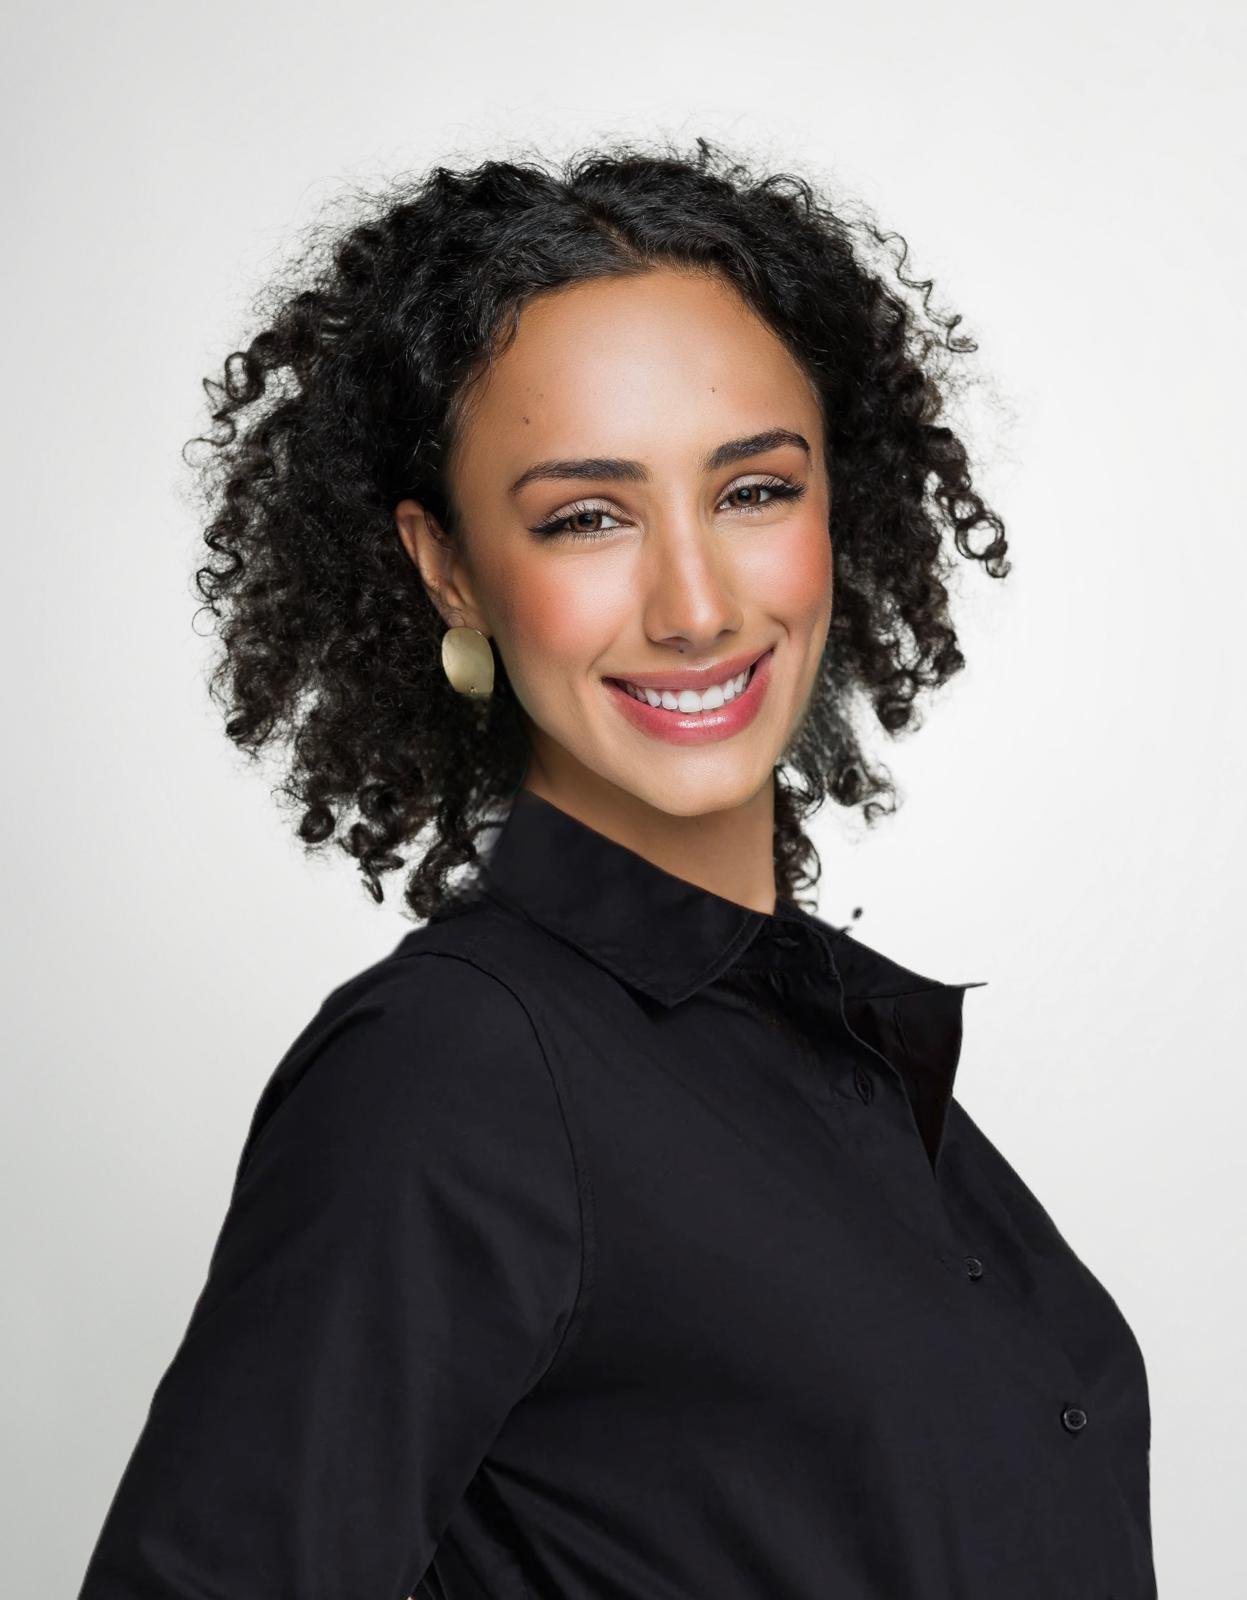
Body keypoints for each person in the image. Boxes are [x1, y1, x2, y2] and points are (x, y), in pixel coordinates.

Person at [76, 137, 1156, 1599]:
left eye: (754, 491)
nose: (695, 605)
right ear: (448, 567)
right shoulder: (454, 1073)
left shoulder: (830, 1045)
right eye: (586, 517)